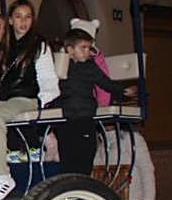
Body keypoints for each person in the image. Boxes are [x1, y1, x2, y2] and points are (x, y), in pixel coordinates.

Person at [0, 0, 59, 200]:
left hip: (26, 98)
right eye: (18, 17)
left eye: (28, 17)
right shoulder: (1, 49)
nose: (23, 22)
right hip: (4, 100)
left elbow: (48, 79)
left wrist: (42, 100)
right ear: (10, 20)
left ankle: (2, 176)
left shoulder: (39, 46)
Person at [51, 28, 136, 175]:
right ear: (70, 50)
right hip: (66, 118)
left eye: (89, 48)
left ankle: (83, 188)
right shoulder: (61, 65)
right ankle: (68, 189)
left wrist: (123, 90)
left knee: (85, 156)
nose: (87, 52)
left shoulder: (90, 66)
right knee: (67, 157)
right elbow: (50, 86)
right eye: (83, 48)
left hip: (85, 117)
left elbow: (105, 82)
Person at [68, 17, 113, 107]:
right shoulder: (64, 59)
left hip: (88, 102)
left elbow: (103, 82)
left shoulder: (95, 60)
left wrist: (103, 103)